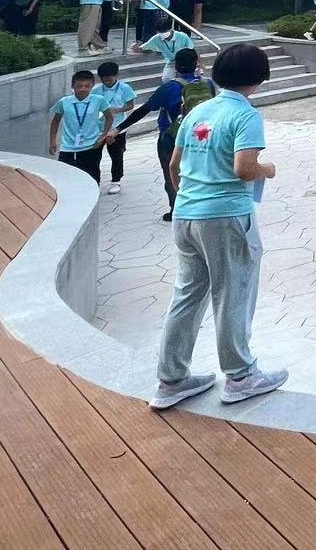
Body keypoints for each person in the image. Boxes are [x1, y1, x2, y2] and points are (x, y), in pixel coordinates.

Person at [151, 42, 289, 409]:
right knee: (233, 293)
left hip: (186, 214)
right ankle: (241, 376)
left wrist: (189, 198)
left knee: (187, 295)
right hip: (226, 216)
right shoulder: (245, 116)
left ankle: (171, 379)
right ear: (259, 78)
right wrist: (268, 169)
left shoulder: (198, 111)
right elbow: (244, 168)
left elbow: (174, 166)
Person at [108, 48, 215, 221]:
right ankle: (201, 206)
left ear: (176, 66)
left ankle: (176, 210)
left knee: (171, 172)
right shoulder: (208, 84)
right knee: (199, 170)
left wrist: (118, 128)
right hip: (201, 136)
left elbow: (144, 110)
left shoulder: (169, 88)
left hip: (171, 138)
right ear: (196, 63)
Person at [48, 68, 114, 184]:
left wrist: (103, 136)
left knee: (92, 174)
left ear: (92, 85)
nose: (83, 89)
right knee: (65, 174)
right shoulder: (64, 101)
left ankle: (93, 193)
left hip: (91, 144)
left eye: (87, 86)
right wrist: (52, 141)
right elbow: (56, 120)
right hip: (68, 145)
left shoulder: (99, 100)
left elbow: (109, 117)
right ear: (72, 86)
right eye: (79, 86)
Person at [92, 60, 137, 196]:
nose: (106, 82)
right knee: (95, 156)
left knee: (116, 155)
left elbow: (130, 105)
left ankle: (116, 180)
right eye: (103, 79)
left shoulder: (125, 88)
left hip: (117, 127)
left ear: (117, 75)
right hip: (100, 127)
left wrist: (117, 110)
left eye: (109, 79)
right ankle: (95, 181)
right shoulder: (97, 90)